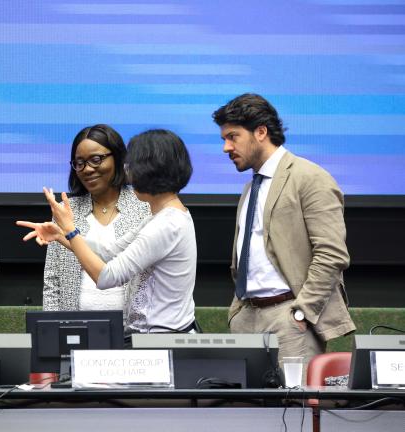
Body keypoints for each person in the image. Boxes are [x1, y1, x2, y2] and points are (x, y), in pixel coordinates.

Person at [212, 93, 356, 373]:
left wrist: (302, 312)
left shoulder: (310, 177)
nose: (226, 148)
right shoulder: (251, 187)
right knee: (245, 413)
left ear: (261, 132)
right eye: (224, 139)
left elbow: (332, 253)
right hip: (247, 315)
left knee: (296, 411)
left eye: (233, 137)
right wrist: (238, 312)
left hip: (289, 317)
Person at [18, 129, 197, 336]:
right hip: (152, 337)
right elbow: (107, 252)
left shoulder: (167, 224)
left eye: (133, 166)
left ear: (151, 169)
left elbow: (107, 277)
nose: (129, 173)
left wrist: (70, 230)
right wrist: (62, 235)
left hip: (162, 339)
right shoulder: (163, 217)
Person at [43, 124, 150, 311]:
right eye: (79, 163)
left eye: (96, 159)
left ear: (117, 158)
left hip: (130, 332)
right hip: (74, 330)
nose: (87, 169)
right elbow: (52, 284)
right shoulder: (65, 210)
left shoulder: (144, 207)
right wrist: (54, 332)